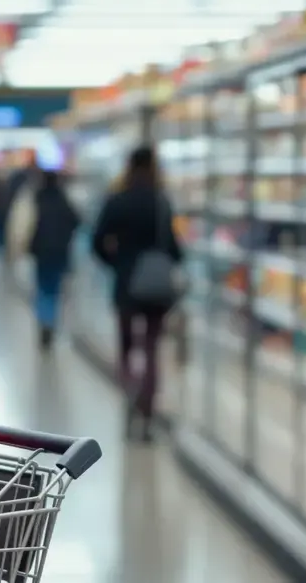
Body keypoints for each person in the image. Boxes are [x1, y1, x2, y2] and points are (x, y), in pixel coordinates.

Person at [91, 145, 183, 441]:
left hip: (126, 283)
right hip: (156, 286)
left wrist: (116, 264)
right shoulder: (161, 201)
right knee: (152, 349)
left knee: (127, 347)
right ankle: (147, 411)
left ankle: (129, 398)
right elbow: (173, 248)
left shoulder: (117, 200)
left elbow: (97, 241)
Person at [27, 171, 80, 350]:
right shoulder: (63, 201)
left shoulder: (36, 200)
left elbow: (26, 224)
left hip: (40, 252)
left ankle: (44, 320)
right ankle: (50, 321)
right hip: (60, 252)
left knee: (42, 287)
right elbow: (76, 221)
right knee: (55, 289)